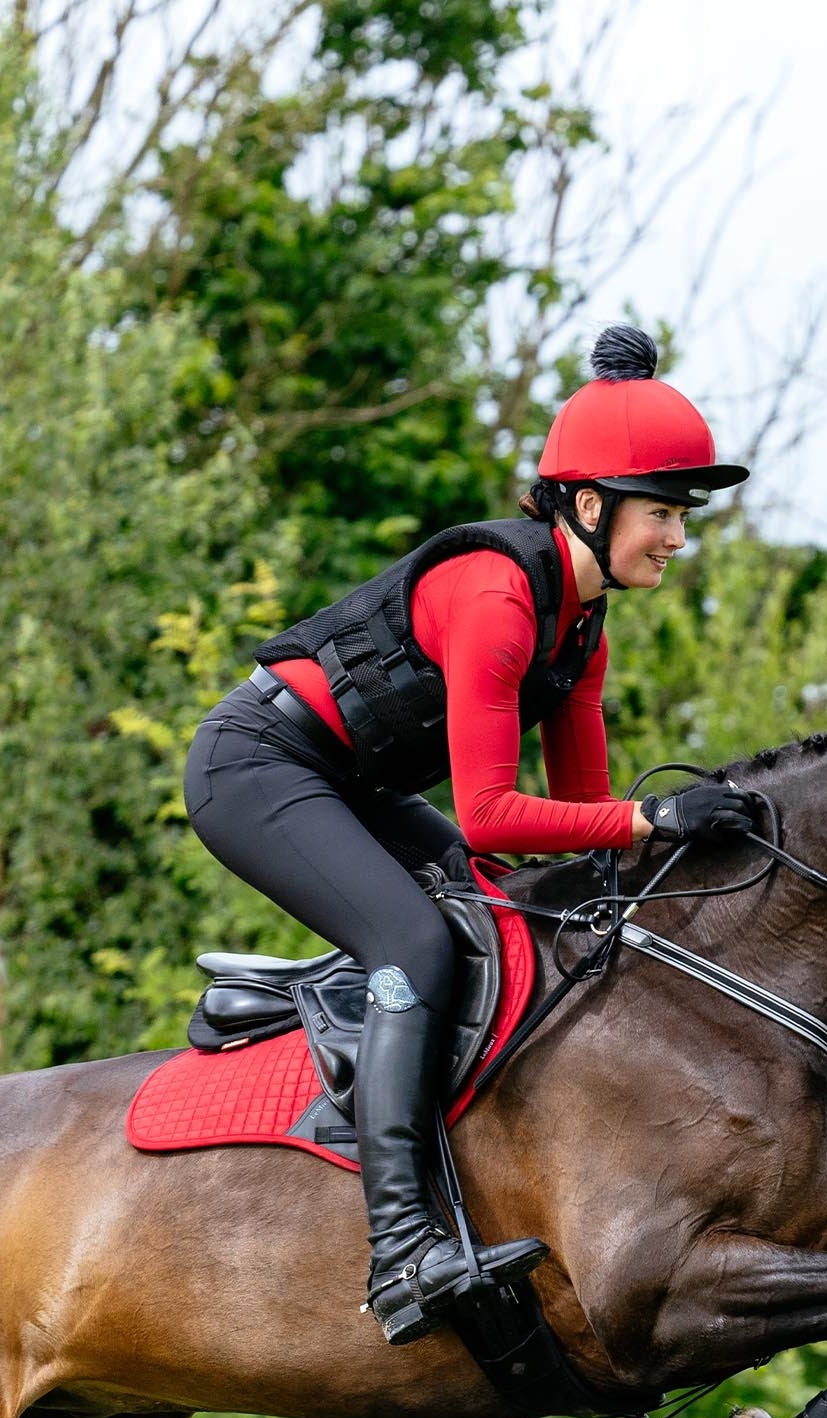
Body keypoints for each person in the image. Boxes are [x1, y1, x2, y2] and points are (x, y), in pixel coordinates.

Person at [183, 325, 753, 1345]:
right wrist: (653, 814)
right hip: (255, 768)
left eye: (680, 516)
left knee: (505, 911)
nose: (676, 537)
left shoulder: (582, 629)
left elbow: (581, 842)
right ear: (589, 505)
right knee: (416, 942)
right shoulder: (497, 597)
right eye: (662, 514)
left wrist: (662, 855)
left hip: (343, 779)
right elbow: (493, 814)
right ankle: (402, 1247)